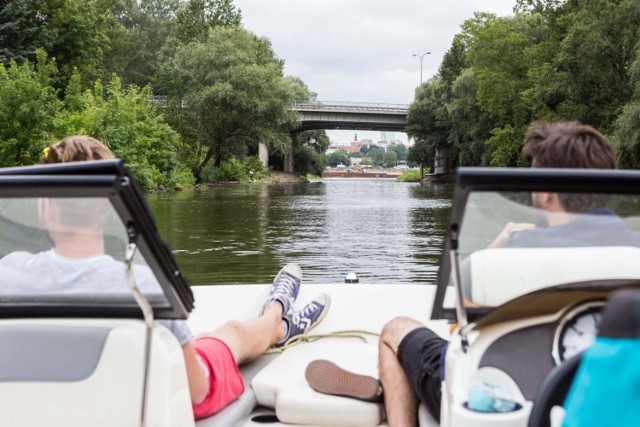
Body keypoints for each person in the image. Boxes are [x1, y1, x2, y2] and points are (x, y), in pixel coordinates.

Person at [306, 120, 619, 426]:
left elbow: (462, 326)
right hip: (606, 397)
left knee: (395, 330)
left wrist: (503, 241)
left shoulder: (512, 256)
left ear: (547, 194)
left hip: (510, 400)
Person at [0, 135, 331, 420]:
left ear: (47, 207)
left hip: (52, 405)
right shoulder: (140, 284)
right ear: (107, 208)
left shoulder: (7, 273)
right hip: (145, 397)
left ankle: (277, 318)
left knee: (211, 336)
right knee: (230, 334)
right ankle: (278, 319)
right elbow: (198, 391)